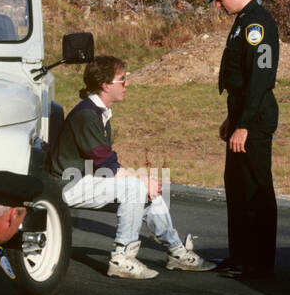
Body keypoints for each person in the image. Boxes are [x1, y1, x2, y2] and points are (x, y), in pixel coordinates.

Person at [46, 55, 216, 279]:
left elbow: (104, 164)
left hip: (86, 179)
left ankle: (176, 252)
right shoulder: (87, 115)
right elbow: (107, 164)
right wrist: (141, 180)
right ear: (106, 86)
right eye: (122, 80)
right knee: (135, 188)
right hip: (67, 184)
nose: (127, 84)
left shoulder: (99, 112)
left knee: (148, 191)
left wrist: (144, 182)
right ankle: (122, 258)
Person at [199, 0, 279, 279]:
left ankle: (258, 263)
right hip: (241, 113)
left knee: (255, 187)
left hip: (255, 118)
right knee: (236, 186)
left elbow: (261, 78)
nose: (218, 6)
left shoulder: (259, 24)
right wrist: (231, 120)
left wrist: (244, 124)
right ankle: (240, 255)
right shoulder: (243, 21)